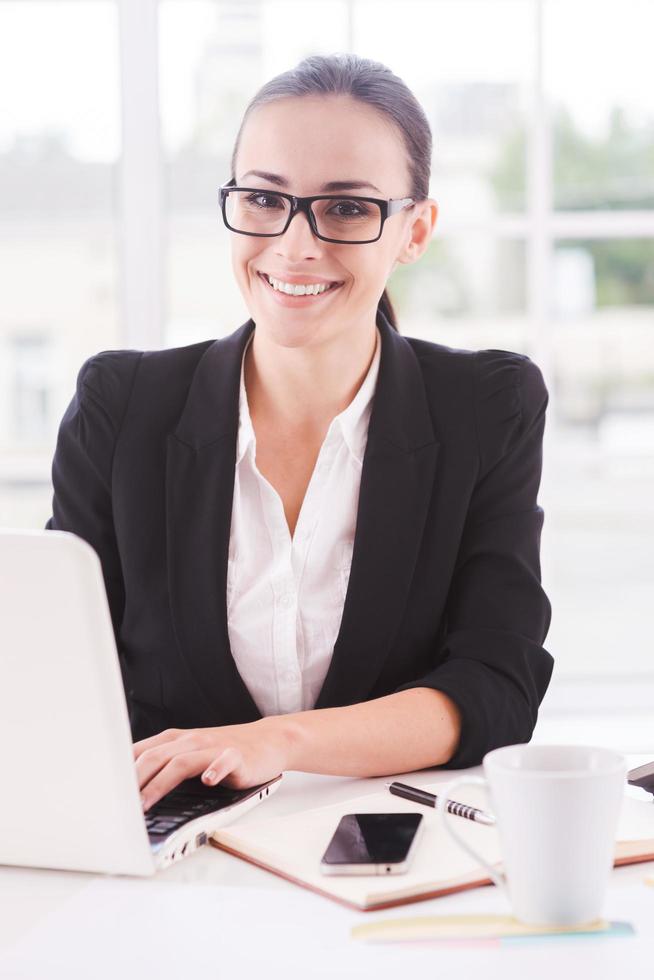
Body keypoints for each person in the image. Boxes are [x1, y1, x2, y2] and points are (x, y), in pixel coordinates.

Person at [46, 53, 553, 812]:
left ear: (415, 230)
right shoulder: (121, 407)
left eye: (346, 208)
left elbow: (495, 687)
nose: (294, 246)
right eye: (262, 199)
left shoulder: (486, 406)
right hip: (162, 860)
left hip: (381, 851)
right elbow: (57, 676)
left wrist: (277, 741)